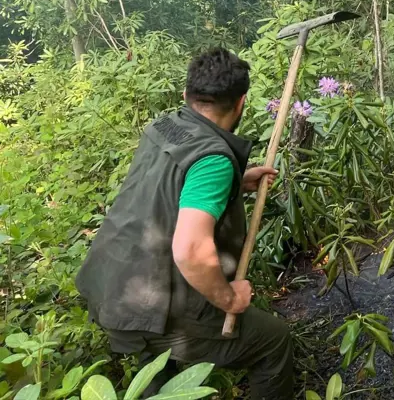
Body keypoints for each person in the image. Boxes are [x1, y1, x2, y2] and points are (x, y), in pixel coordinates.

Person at [76, 48, 294, 399]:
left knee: (157, 369)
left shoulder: (163, 126)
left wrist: (236, 182)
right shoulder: (212, 162)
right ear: (241, 103)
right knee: (274, 342)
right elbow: (191, 250)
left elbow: (164, 189)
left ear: (185, 96)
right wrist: (228, 300)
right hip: (151, 304)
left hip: (111, 286)